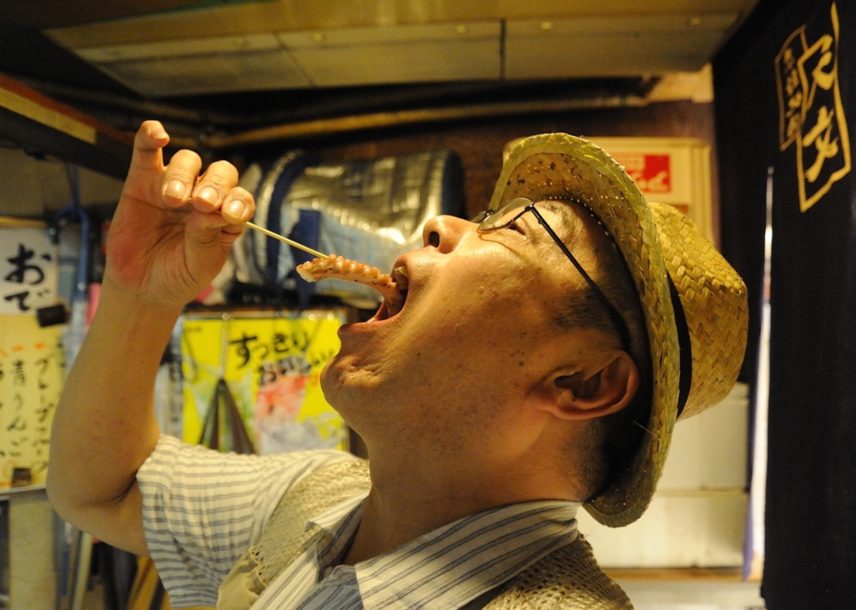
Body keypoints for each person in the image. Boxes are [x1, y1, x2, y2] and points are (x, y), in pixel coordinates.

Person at [47, 120, 748, 609]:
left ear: (584, 382)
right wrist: (141, 294)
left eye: (515, 232)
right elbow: (101, 491)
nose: (442, 226)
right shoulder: (317, 499)